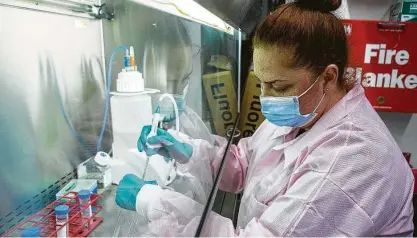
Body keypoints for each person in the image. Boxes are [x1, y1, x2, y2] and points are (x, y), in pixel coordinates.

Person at [116, 0, 414, 236]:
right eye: (261, 82)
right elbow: (245, 163)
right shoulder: (303, 109)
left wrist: (153, 203)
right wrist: (187, 150)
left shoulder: (352, 158)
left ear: (328, 76)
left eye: (279, 86)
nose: (266, 97)